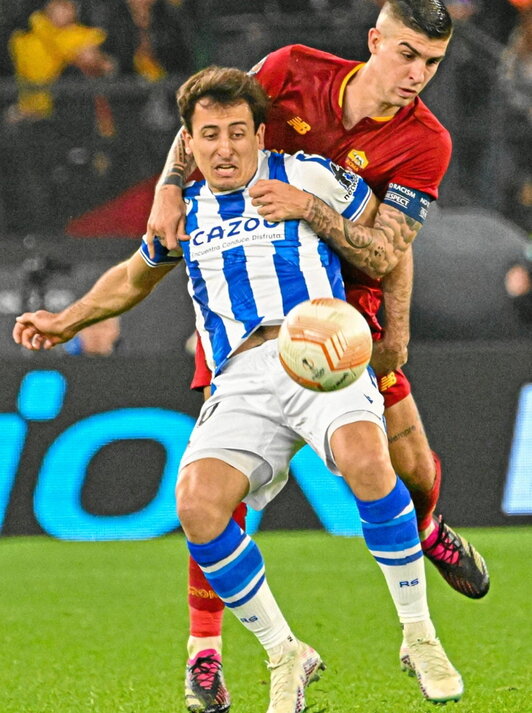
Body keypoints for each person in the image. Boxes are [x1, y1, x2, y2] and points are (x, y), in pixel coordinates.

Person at [13, 65, 464, 712]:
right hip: (240, 376)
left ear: (259, 133)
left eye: (235, 133)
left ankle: (418, 632)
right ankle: (286, 652)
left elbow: (388, 244)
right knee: (198, 504)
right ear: (188, 144)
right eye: (208, 135)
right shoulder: (186, 210)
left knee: (370, 460)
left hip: (322, 354)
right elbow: (132, 279)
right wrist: (66, 318)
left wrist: (389, 327)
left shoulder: (306, 174)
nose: (223, 148)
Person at [145, 2, 489, 710]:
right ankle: (204, 652)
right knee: (214, 496)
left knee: (409, 465)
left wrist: (317, 218)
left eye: (431, 63)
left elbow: (390, 249)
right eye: (405, 55)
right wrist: (165, 188)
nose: (415, 75)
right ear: (374, 41)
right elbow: (208, 126)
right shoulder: (290, 71)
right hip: (255, 297)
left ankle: (425, 527)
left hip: (347, 299)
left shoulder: (426, 139)